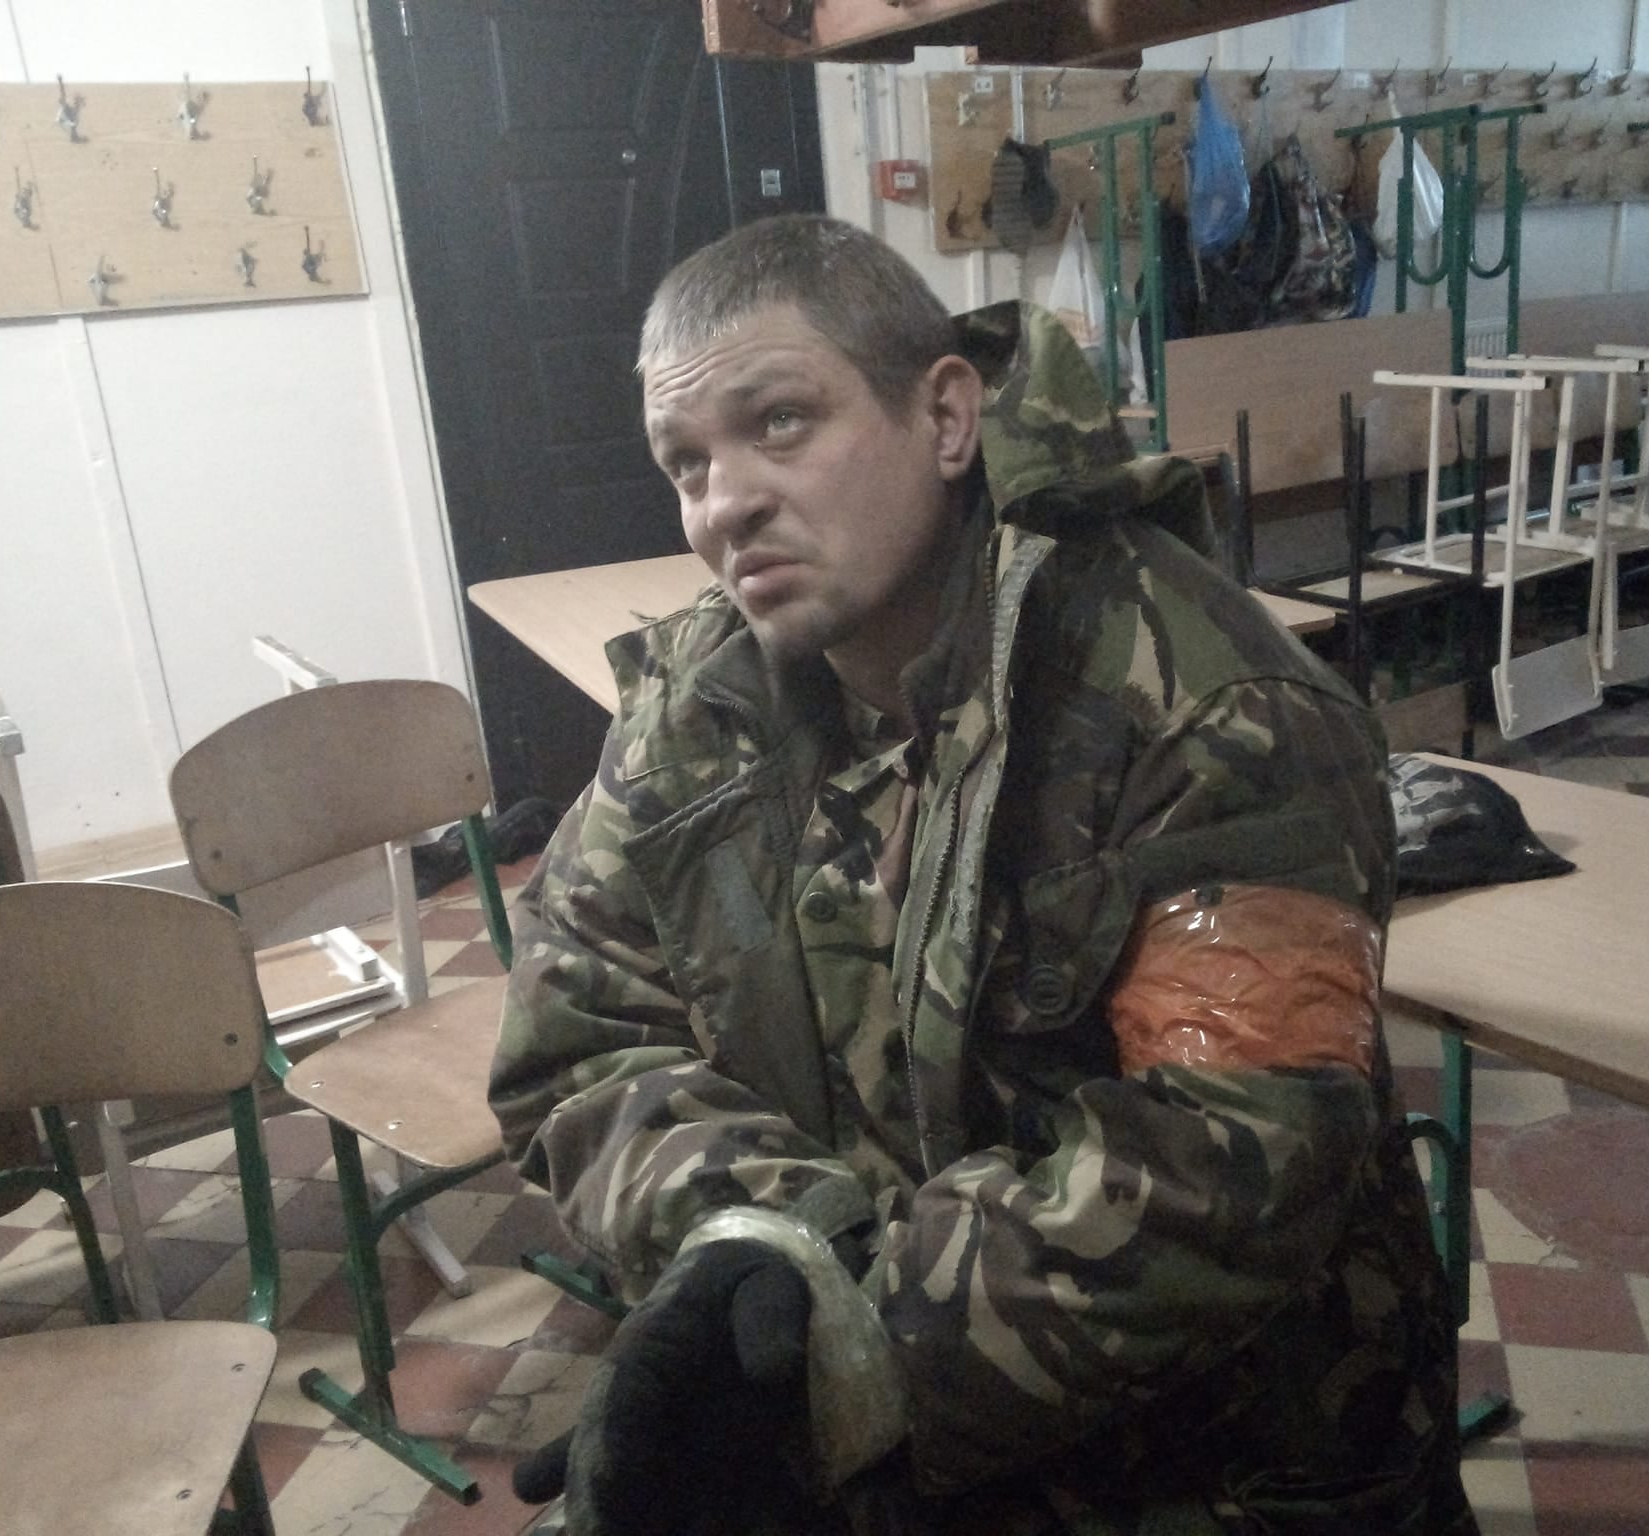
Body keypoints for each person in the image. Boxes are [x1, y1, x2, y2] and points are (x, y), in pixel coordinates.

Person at [489, 213, 1476, 1536]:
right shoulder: (698, 711)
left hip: (1211, 1474)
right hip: (908, 1468)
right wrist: (769, 1258)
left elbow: (1235, 1159)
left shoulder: (1209, 702)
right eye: (687, 461)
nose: (725, 503)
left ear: (946, 417)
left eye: (780, 423)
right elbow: (579, 1040)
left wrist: (853, 1361)